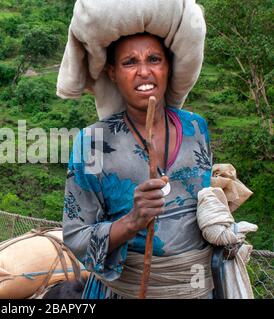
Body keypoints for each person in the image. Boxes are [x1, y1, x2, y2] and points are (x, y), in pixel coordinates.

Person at [62, 31, 215, 299]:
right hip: (128, 293)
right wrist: (132, 221)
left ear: (168, 67)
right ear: (112, 73)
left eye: (154, 59)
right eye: (130, 62)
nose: (144, 71)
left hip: (198, 290)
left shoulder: (196, 127)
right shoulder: (92, 142)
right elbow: (75, 238)